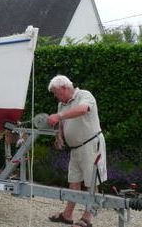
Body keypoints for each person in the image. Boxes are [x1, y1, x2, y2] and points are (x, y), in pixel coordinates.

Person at [46, 75, 107, 227]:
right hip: (75, 148)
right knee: (73, 181)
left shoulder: (84, 96)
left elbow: (83, 109)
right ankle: (67, 215)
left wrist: (59, 116)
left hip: (91, 145)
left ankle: (87, 218)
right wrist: (59, 135)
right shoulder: (62, 104)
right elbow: (61, 122)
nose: (55, 96)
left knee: (91, 182)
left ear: (64, 88)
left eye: (56, 92)